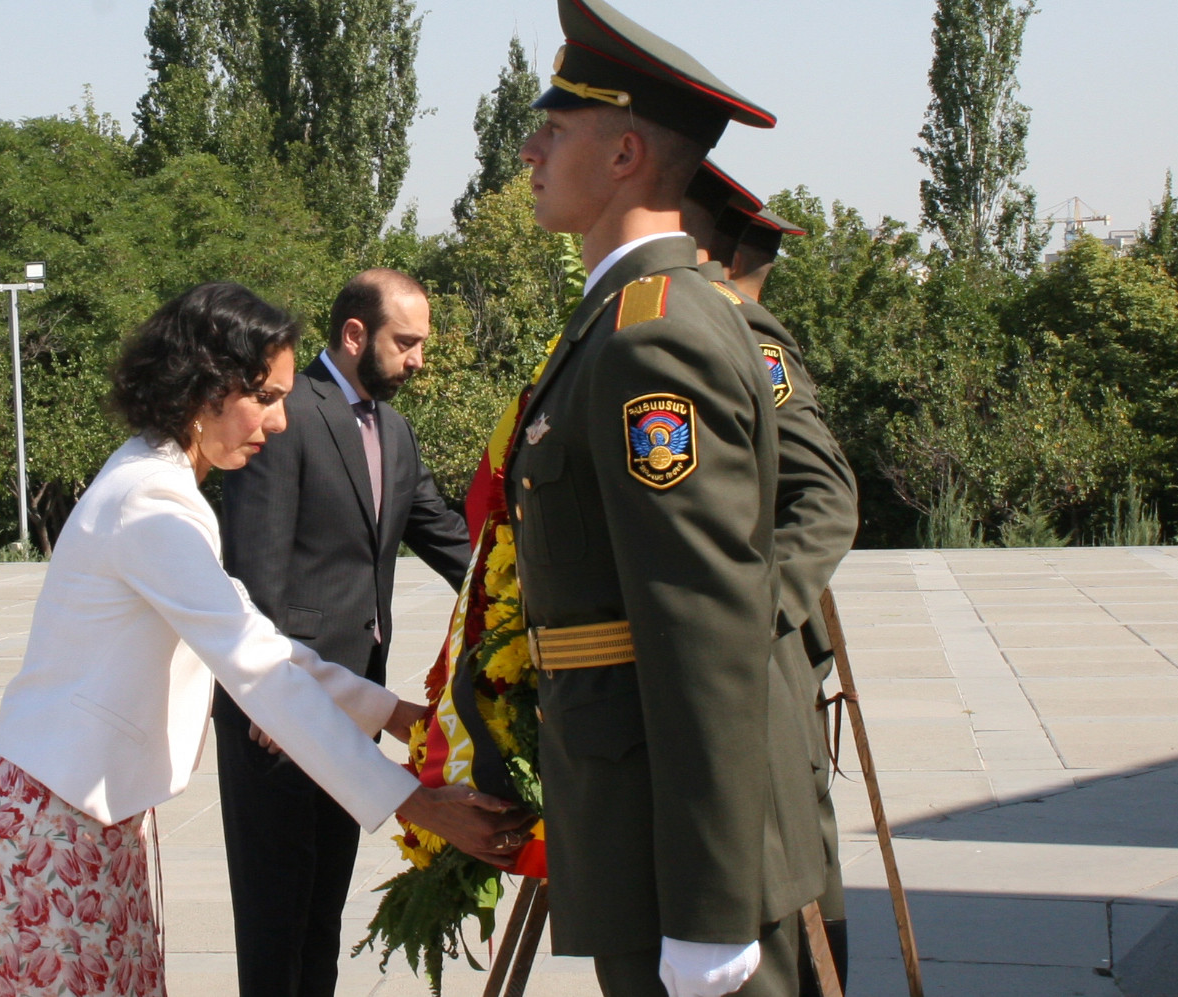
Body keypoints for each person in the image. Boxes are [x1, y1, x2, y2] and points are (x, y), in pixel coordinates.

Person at [0, 283, 528, 997]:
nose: (281, 419)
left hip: (87, 822)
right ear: (203, 390)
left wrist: (397, 716)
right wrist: (414, 801)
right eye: (265, 396)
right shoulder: (153, 506)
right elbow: (257, 668)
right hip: (48, 834)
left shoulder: (160, 485)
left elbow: (262, 642)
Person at [508, 1, 821, 994]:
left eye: (554, 131)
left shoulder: (654, 336)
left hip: (668, 845)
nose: (529, 149)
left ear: (624, 155)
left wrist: (707, 904)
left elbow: (704, 625)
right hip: (633, 813)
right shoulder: (621, 319)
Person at [214, 269, 470, 997]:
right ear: (356, 334)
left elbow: (449, 539)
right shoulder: (283, 412)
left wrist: (515, 593)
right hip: (280, 715)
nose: (418, 359)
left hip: (354, 709)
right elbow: (254, 569)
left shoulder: (394, 430)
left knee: (321, 915)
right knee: (275, 924)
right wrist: (270, 695)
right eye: (407, 342)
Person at [682, 163, 859, 995]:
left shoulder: (745, 338)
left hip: (758, 649)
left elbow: (824, 496)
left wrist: (750, 614)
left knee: (790, 866)